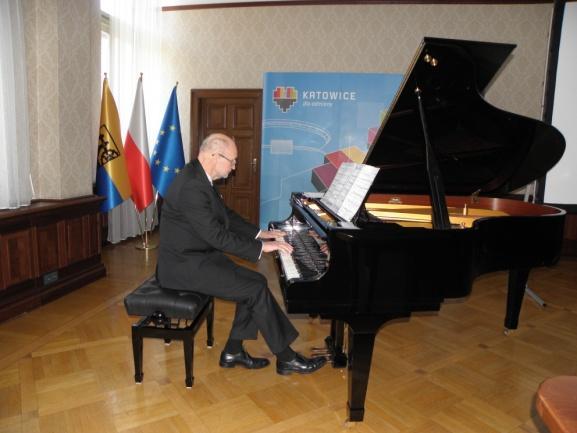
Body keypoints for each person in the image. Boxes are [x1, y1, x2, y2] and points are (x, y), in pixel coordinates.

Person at [157, 133, 326, 375]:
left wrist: (260, 234)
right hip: (183, 266)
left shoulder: (198, 176)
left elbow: (226, 216)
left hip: (197, 257)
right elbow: (215, 235)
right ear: (214, 155)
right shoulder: (193, 185)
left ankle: (233, 351)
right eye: (233, 160)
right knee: (254, 289)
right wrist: (260, 249)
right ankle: (286, 357)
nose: (235, 166)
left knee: (255, 282)